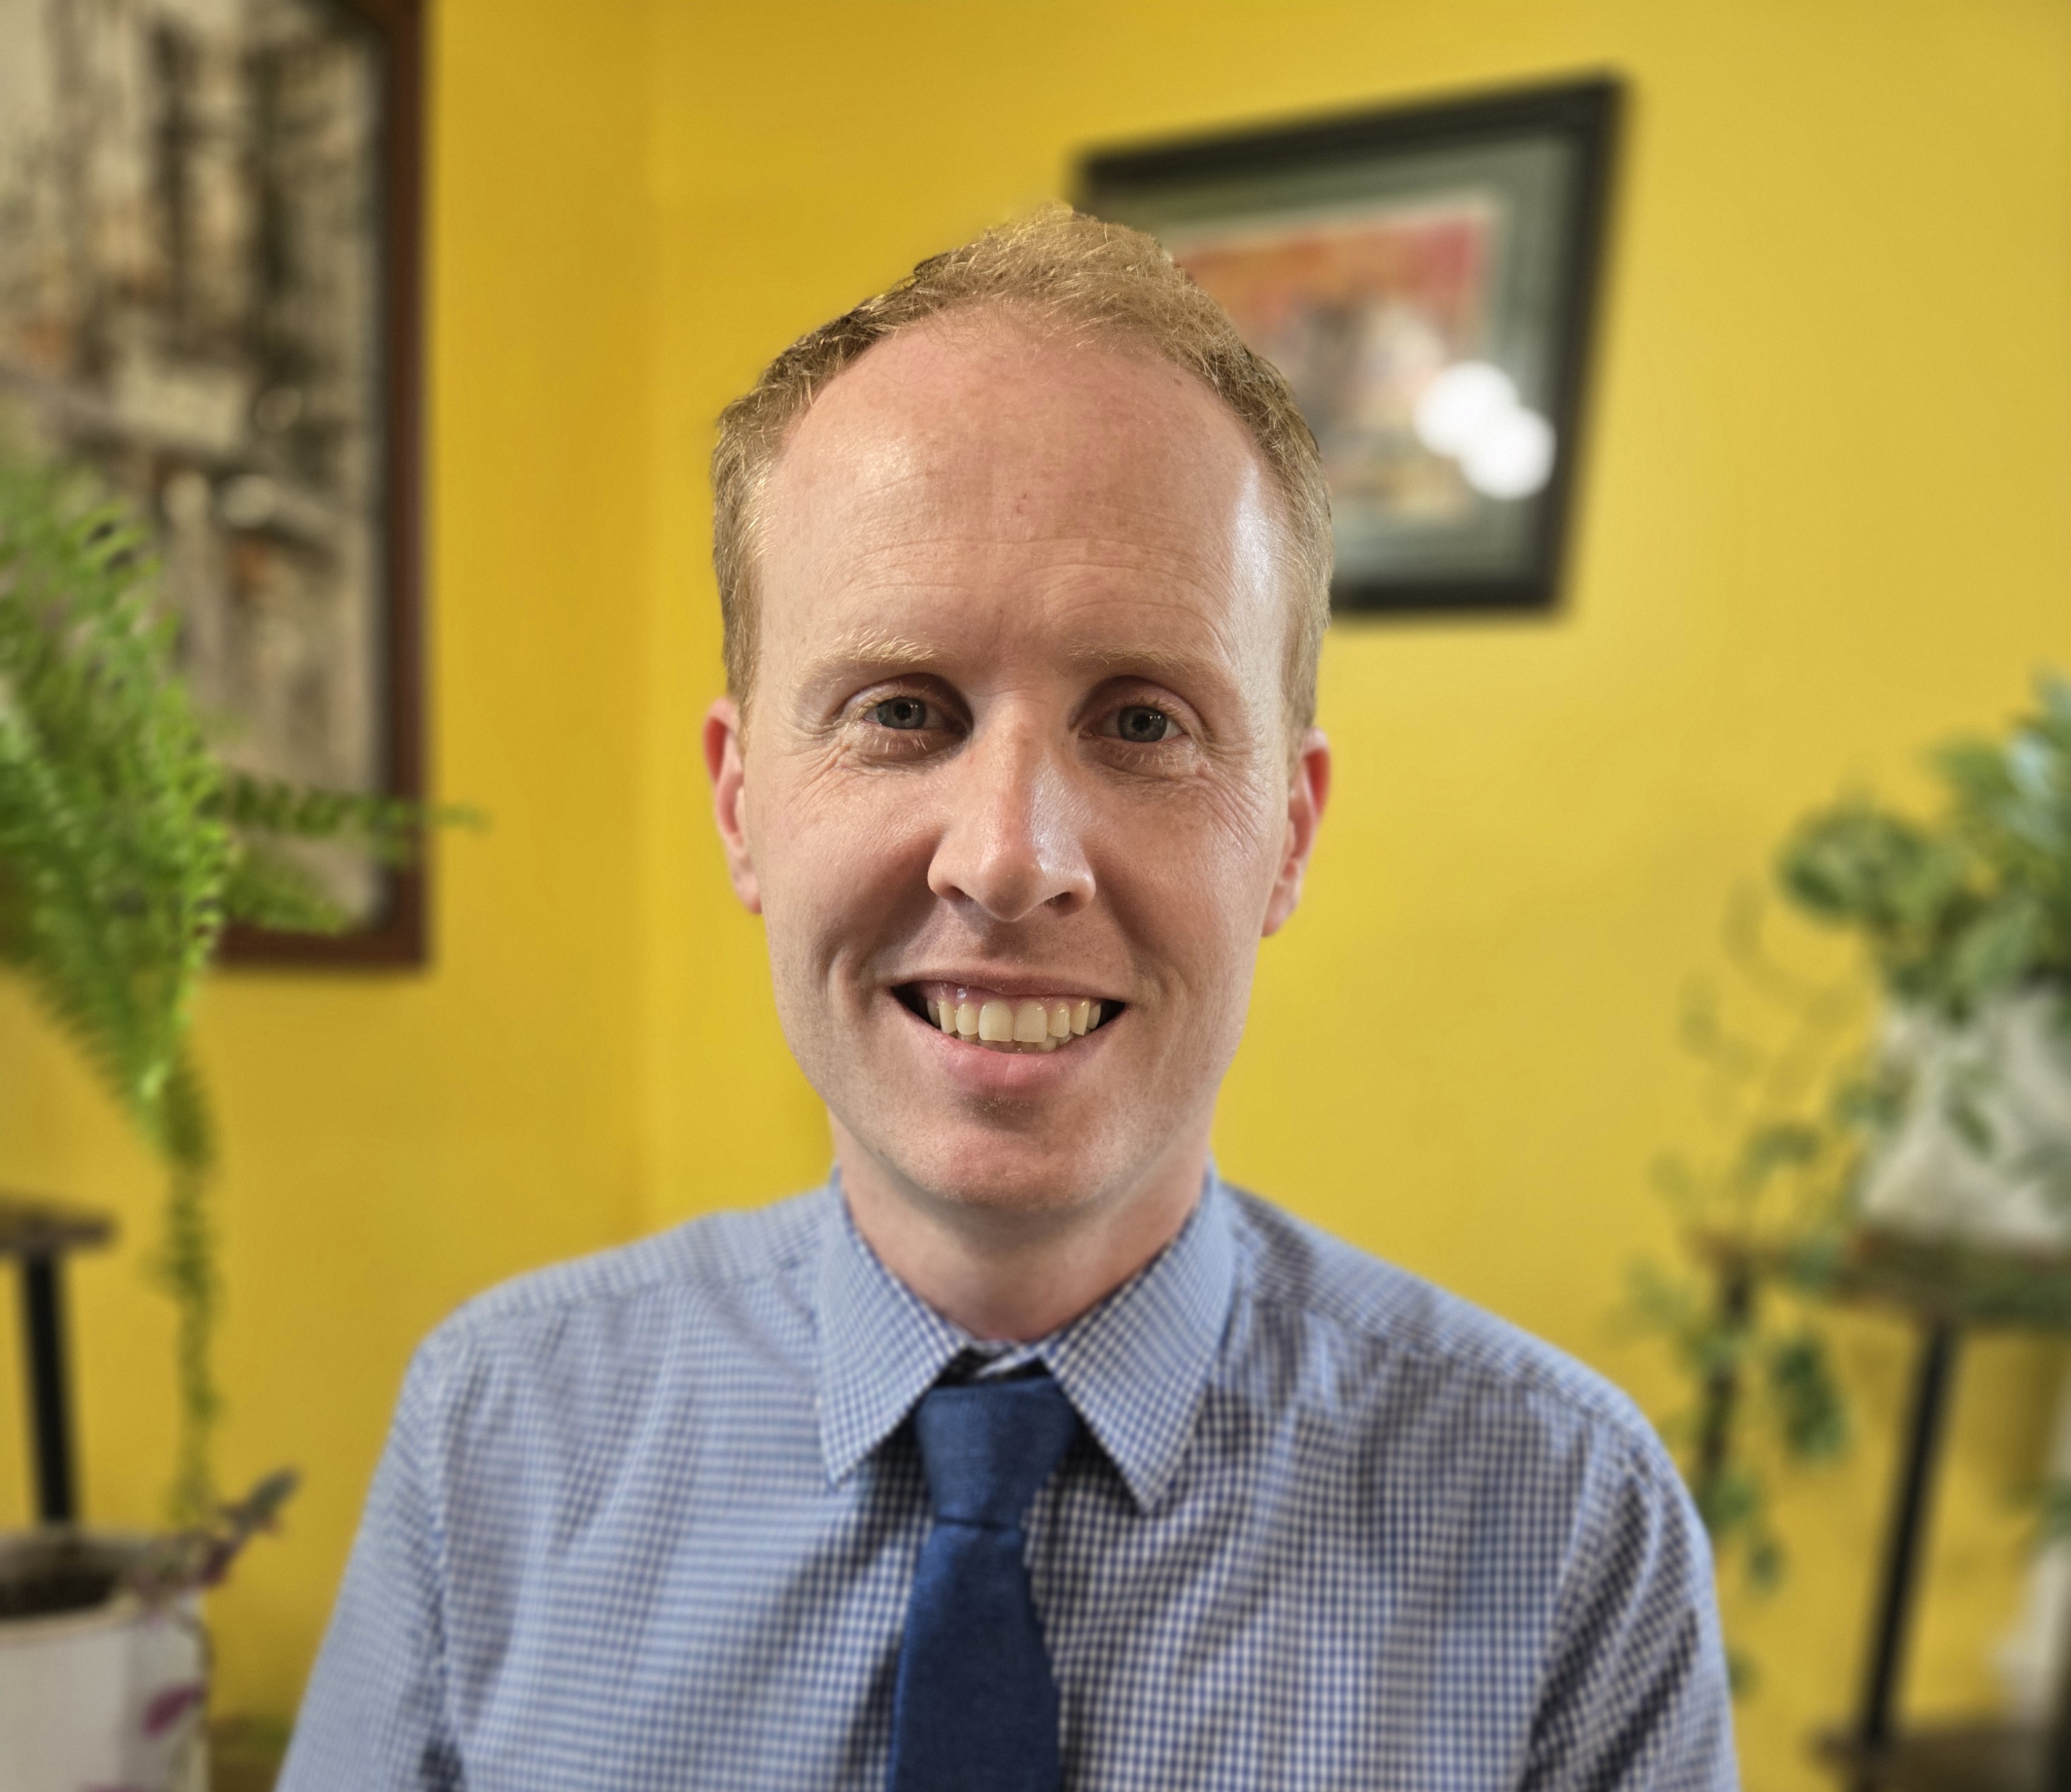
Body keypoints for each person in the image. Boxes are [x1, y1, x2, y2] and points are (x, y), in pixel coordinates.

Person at [280, 208, 1736, 1791]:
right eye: (902, 710)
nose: (1008, 856)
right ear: (741, 804)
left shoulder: (1565, 1525)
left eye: (1144, 721)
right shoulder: (496, 1431)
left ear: (1289, 832)